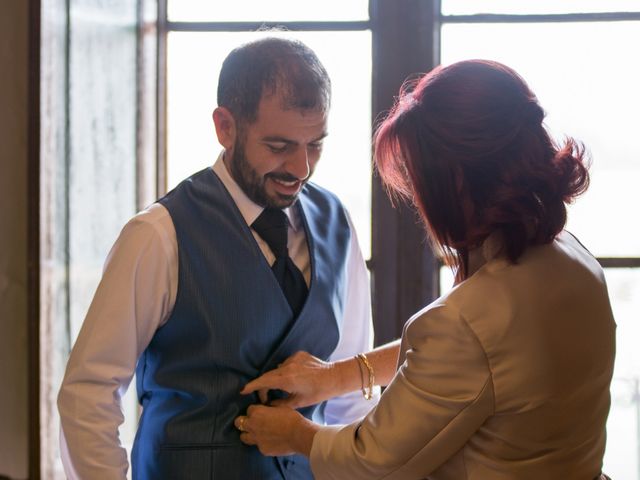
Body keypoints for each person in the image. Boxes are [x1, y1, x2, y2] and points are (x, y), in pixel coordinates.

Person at [234, 59, 616, 479]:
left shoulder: (468, 320)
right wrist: (336, 377)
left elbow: (374, 461)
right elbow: (476, 360)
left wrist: (297, 435)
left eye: (417, 181)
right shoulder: (575, 260)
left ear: (453, 182)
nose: (417, 200)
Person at [57, 37, 377, 480]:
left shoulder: (337, 224)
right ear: (225, 127)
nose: (301, 168)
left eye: (315, 145)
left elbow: (349, 395)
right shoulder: (158, 234)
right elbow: (88, 393)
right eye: (279, 146)